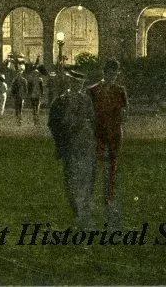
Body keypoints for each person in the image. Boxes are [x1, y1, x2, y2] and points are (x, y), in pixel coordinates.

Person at [49, 69, 96, 230]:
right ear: (70, 83)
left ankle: (83, 211)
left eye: (80, 83)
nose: (77, 86)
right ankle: (77, 211)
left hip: (85, 145)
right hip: (70, 145)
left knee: (85, 179)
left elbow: (93, 121)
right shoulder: (61, 101)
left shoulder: (86, 101)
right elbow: (53, 123)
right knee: (71, 179)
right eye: (74, 82)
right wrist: (60, 141)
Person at [88, 59, 128, 229]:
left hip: (113, 133)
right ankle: (90, 198)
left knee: (112, 165)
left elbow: (125, 113)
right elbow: (88, 112)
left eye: (114, 73)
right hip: (98, 132)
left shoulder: (120, 91)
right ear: (104, 73)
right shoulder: (93, 90)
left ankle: (109, 197)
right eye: (109, 73)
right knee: (93, 165)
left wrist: (116, 122)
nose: (112, 76)